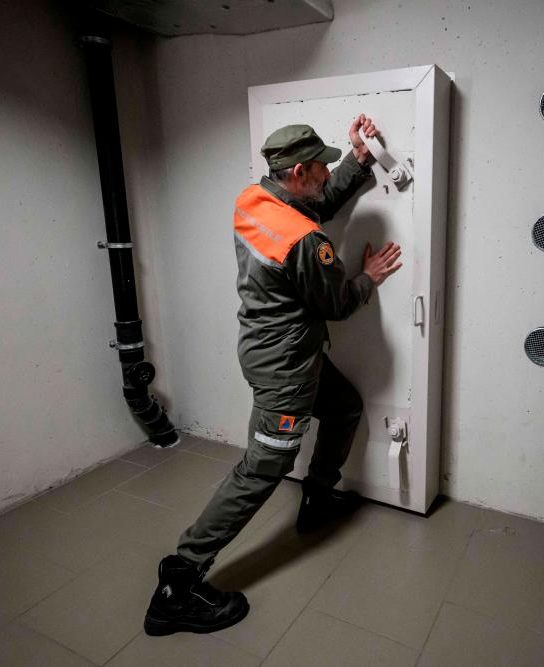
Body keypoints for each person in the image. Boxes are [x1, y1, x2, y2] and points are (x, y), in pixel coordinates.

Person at [143, 115, 403, 636]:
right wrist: (368, 278)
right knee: (262, 468)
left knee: (344, 406)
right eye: (323, 169)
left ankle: (317, 494)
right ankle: (179, 580)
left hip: (278, 350)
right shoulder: (308, 242)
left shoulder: (253, 201)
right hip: (285, 368)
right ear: (299, 172)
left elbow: (314, 209)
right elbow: (335, 301)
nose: (328, 176)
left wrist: (358, 158)